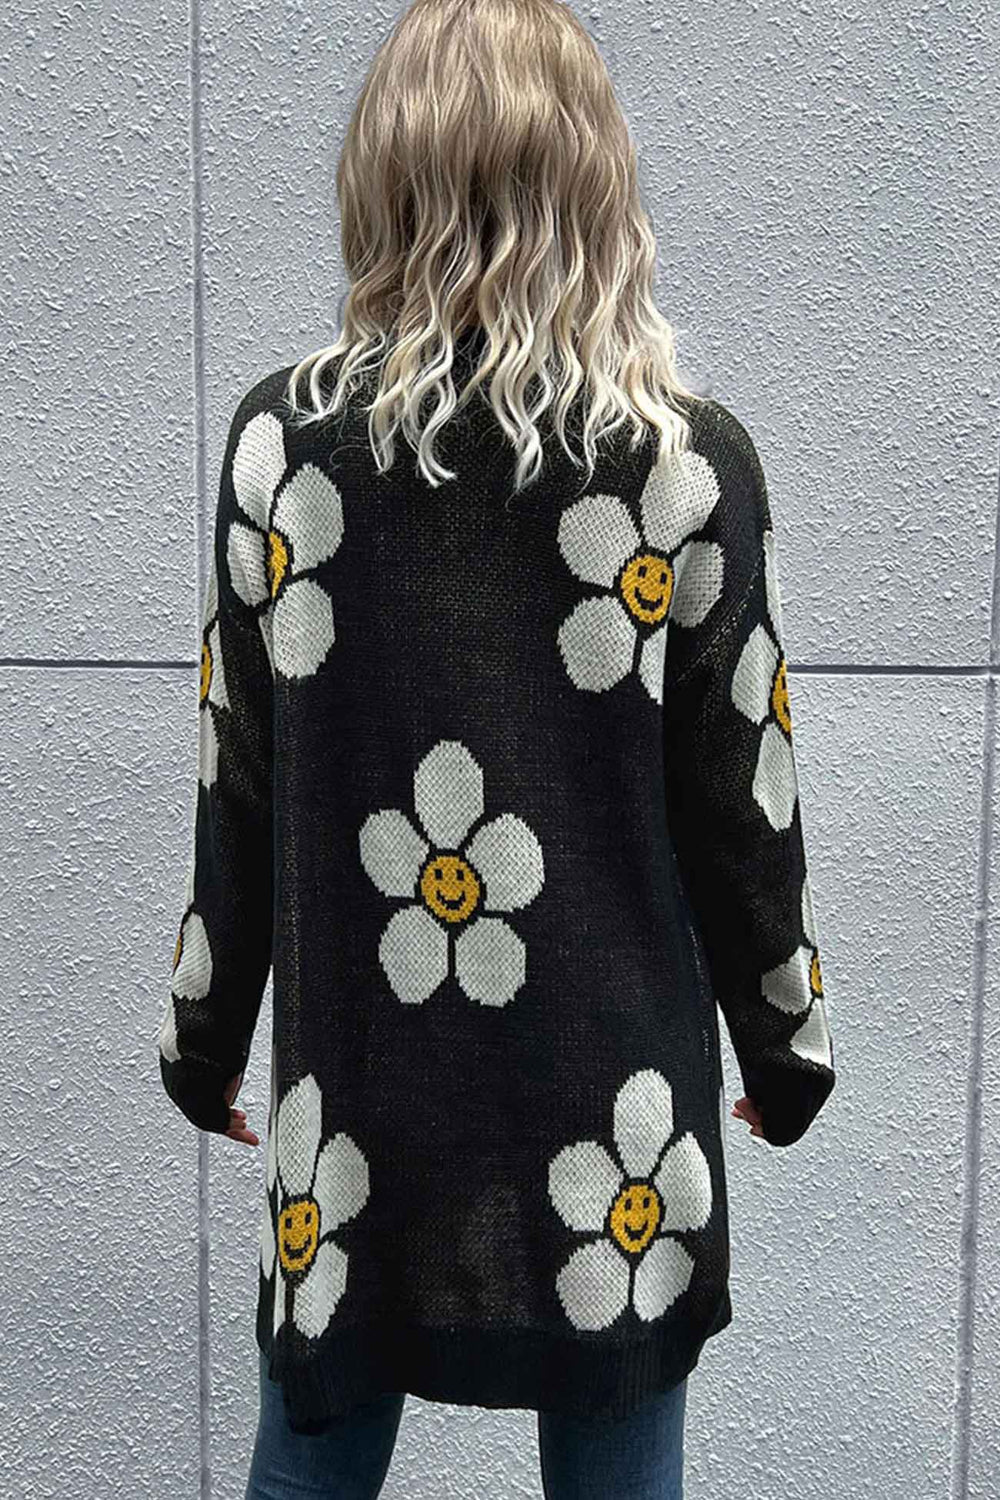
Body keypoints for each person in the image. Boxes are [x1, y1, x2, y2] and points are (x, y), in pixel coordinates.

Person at [157, 0, 836, 1494]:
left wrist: (204, 1037)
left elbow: (238, 773)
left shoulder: (284, 450)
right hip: (615, 1114)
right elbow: (747, 791)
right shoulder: (685, 469)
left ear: (382, 176)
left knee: (310, 1464)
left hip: (361, 1089)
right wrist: (786, 1045)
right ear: (594, 186)